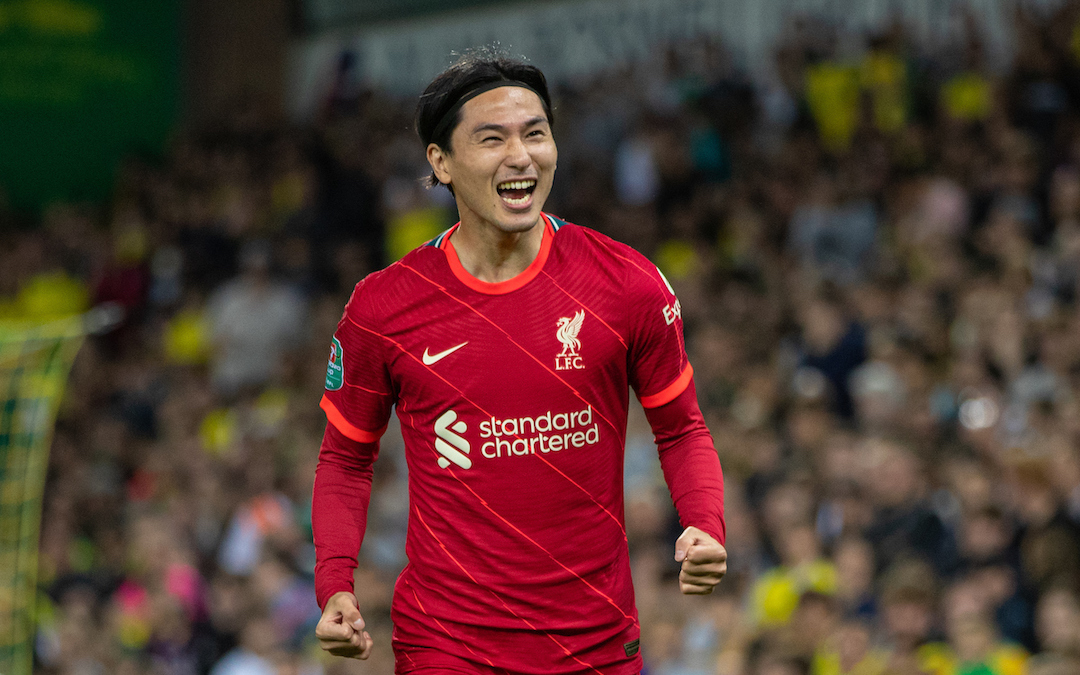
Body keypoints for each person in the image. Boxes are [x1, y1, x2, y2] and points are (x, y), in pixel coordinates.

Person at [310, 49, 727, 675]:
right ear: (441, 162)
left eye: (536, 133)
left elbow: (682, 427)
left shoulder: (626, 283)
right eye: (492, 139)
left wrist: (704, 522)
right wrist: (335, 583)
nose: (521, 155)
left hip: (595, 643)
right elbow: (345, 457)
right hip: (448, 647)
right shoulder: (382, 307)